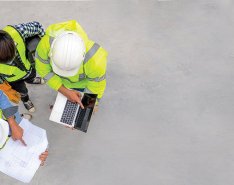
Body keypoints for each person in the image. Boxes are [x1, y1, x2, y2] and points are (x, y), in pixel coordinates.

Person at [35, 20, 108, 110]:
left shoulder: (95, 59)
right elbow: (43, 70)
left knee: (80, 106)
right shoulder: (46, 44)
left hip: (82, 86)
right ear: (51, 52)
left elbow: (96, 87)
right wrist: (64, 90)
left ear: (83, 56)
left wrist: (86, 107)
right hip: (60, 83)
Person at [0, 21, 45, 113]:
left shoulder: (17, 32)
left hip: (29, 68)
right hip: (13, 80)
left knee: (32, 75)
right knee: (22, 91)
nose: (11, 61)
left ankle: (31, 80)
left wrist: (45, 45)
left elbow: (37, 26)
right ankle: (26, 100)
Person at [0, 90, 48, 165]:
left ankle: (18, 119)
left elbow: (0, 96)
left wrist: (12, 122)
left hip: (9, 121)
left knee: (37, 150)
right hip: (4, 149)